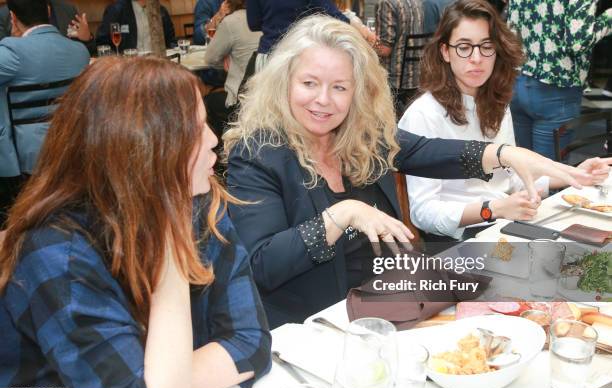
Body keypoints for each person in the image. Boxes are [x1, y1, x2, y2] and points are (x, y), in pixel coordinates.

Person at [224, 15, 596, 328]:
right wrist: (342, 214)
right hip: (320, 325)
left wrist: (505, 154)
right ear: (284, 82)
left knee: (551, 296)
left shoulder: (361, 135)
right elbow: (261, 265)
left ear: (357, 92)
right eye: (309, 83)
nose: (323, 100)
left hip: (394, 301)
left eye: (339, 87)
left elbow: (431, 152)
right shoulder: (258, 154)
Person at [0, 57, 271, 388]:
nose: (213, 139)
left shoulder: (199, 203)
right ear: (147, 154)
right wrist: (172, 247)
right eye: (196, 129)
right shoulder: (56, 252)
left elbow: (250, 340)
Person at [400, 0, 612, 242]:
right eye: (464, 47)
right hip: (461, 237)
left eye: (486, 46)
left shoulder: (495, 104)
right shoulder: (423, 114)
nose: (477, 58)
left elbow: (511, 180)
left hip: (503, 224)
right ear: (445, 51)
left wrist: (571, 175)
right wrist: (493, 209)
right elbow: (424, 213)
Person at [0, 0, 89, 227]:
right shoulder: (79, 51)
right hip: (71, 148)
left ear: (12, 18)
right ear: (49, 12)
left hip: (26, 159)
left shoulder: (11, 52)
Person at [508, 0, 612, 159]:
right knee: (551, 174)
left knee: (524, 167)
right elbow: (577, 43)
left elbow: (511, 28)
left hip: (518, 80)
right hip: (556, 87)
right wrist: (608, 17)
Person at [246, 0, 377, 72]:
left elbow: (254, 23)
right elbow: (332, 14)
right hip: (297, 55)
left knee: (266, 110)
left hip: (268, 56)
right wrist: (359, 28)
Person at [203, 0, 261, 139]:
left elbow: (210, 58)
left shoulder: (230, 22)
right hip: (266, 94)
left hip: (241, 99)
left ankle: (221, 145)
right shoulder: (267, 19)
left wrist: (225, 64)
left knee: (207, 102)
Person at [374, 0, 425, 112]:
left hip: (393, 80)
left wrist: (366, 45)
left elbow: (385, 50)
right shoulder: (417, 2)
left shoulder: (386, 3)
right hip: (416, 77)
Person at [0, 0, 95, 54]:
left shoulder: (67, 9)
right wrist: (15, 42)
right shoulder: (4, 15)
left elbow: (86, 53)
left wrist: (87, 39)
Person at [96, 0, 176, 53]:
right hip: (128, 69)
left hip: (157, 66)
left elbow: (171, 41)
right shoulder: (116, 10)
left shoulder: (160, 11)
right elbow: (103, 44)